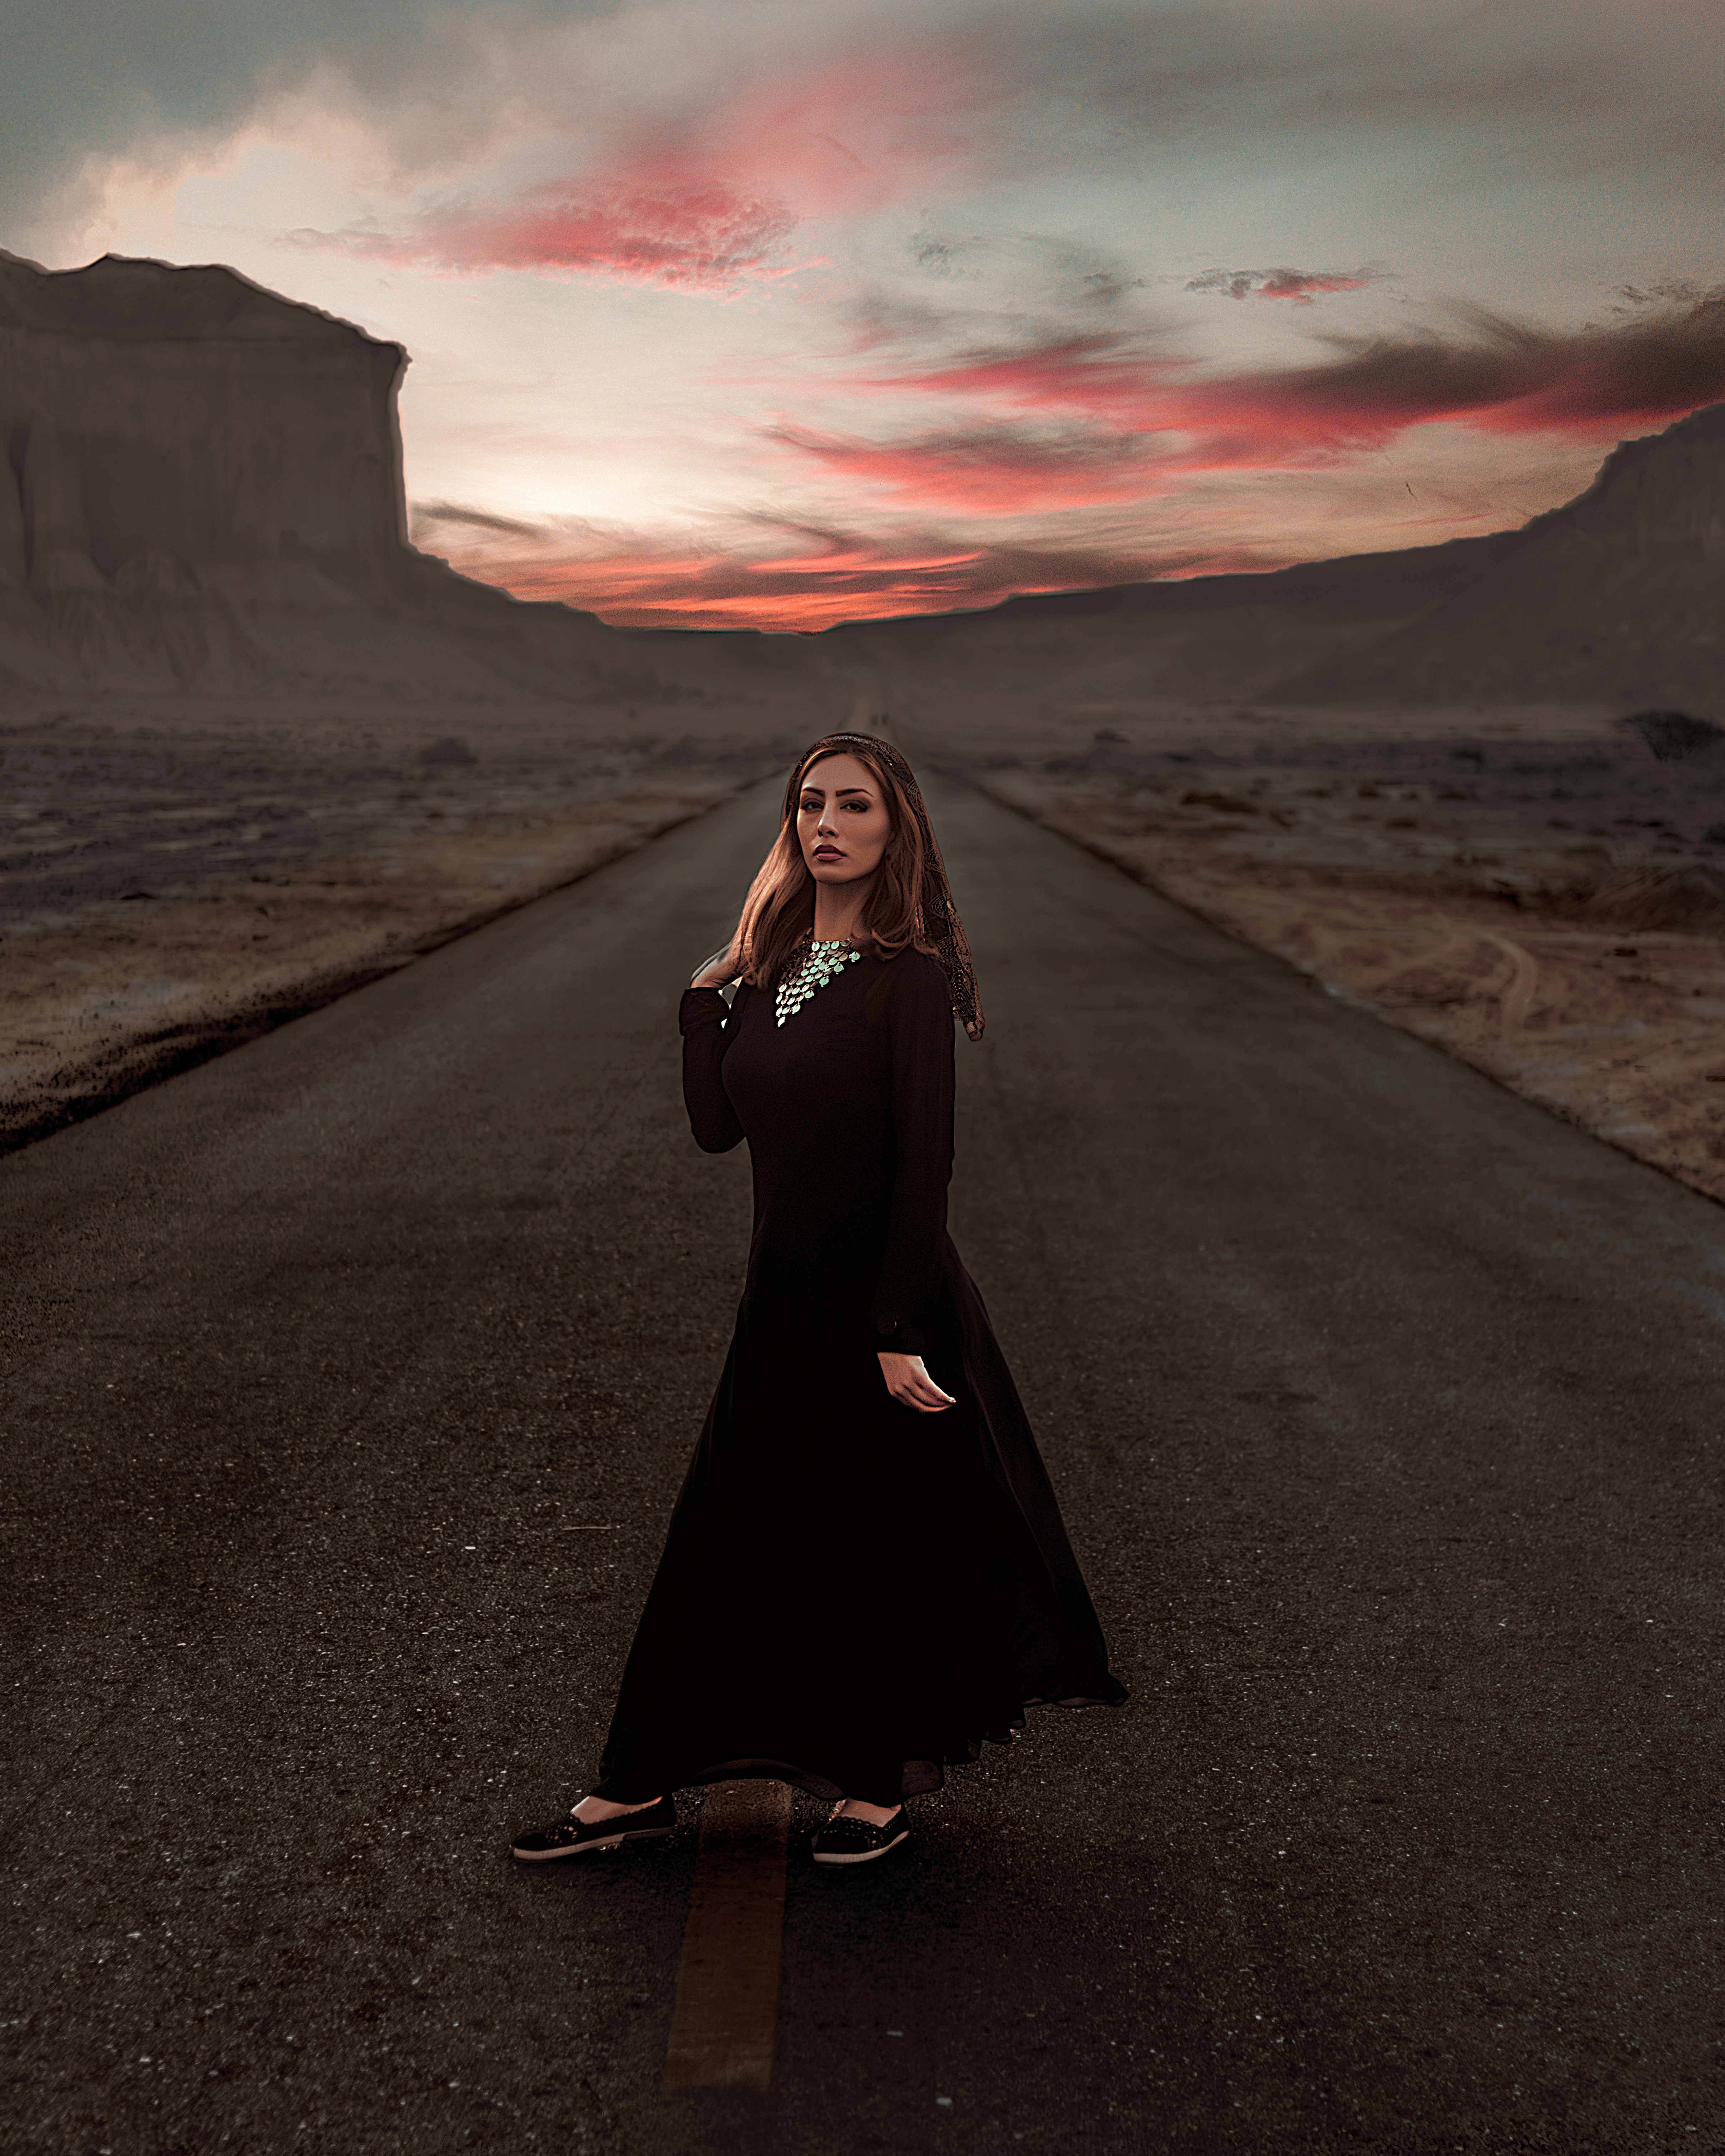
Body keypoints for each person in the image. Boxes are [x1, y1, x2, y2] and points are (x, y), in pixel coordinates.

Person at [511, 731, 1126, 1869]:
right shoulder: (772, 972)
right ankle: (635, 1786)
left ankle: (874, 1786)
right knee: (729, 1533)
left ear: (896, 832)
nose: (827, 823)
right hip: (782, 1301)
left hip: (884, 1307)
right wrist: (703, 1009)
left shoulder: (908, 981)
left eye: (855, 805)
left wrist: (893, 1334)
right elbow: (717, 1131)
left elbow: (922, 1166)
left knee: (875, 1544)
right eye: (809, 804)